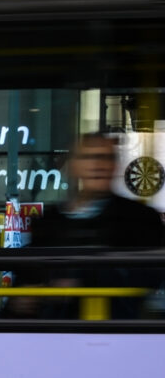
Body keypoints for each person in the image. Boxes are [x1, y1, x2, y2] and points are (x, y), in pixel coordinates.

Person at [15, 132, 165, 317]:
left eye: (106, 157)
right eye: (89, 157)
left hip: (121, 328)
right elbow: (27, 279)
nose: (98, 165)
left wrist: (79, 282)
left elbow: (149, 277)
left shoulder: (140, 219)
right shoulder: (48, 222)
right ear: (74, 167)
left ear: (115, 166)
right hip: (56, 331)